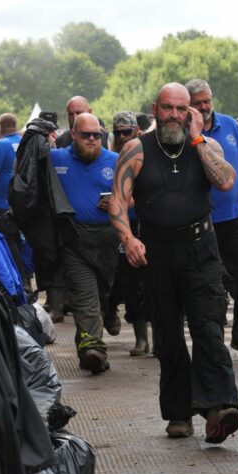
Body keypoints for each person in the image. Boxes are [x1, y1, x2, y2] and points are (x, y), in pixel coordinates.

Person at [108, 83, 238, 443]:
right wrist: (128, 239)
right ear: (155, 109)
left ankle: (219, 407)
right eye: (168, 108)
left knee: (209, 327)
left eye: (182, 110)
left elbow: (227, 181)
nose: (174, 116)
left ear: (191, 113)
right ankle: (179, 413)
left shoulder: (204, 147)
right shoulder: (136, 149)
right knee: (168, 336)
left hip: (201, 249)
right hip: (156, 252)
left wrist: (198, 140)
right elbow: (119, 202)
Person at [186, 78, 238, 359]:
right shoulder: (181, 132)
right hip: (198, 219)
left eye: (207, 101)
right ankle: (210, 342)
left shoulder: (231, 125)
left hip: (235, 217)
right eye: (197, 103)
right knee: (207, 281)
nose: (204, 107)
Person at [51, 113, 119, 374]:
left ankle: (91, 340)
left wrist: (118, 202)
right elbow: (26, 169)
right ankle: (94, 350)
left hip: (108, 240)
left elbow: (135, 199)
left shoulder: (114, 161)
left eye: (97, 135)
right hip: (74, 240)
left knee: (102, 297)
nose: (92, 139)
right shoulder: (56, 159)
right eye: (86, 135)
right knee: (85, 297)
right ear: (73, 134)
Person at [104, 111, 152, 356]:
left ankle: (162, 336)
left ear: (137, 132)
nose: (122, 136)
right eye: (118, 132)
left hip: (152, 227)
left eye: (127, 132)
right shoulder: (110, 159)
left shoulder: (146, 155)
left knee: (155, 282)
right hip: (124, 231)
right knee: (129, 281)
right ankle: (141, 338)